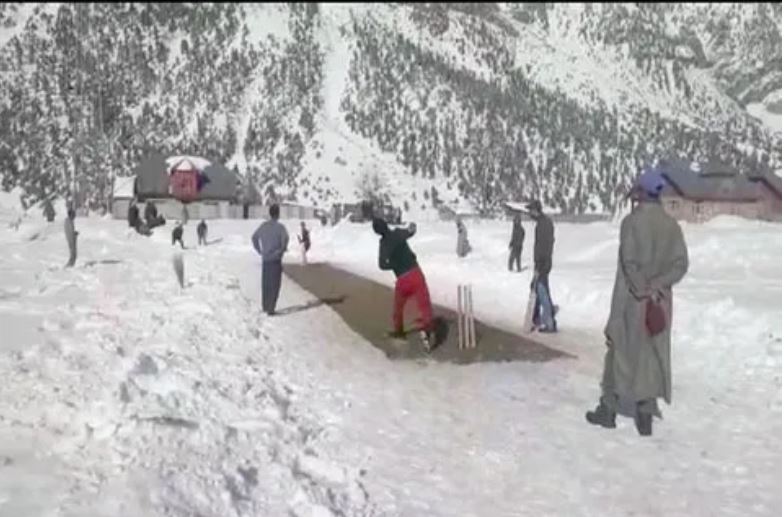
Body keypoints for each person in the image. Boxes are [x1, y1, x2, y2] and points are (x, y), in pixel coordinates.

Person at [586, 167, 689, 437]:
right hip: (660, 303)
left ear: (641, 192)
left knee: (618, 350)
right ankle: (645, 413)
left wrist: (643, 287)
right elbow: (681, 265)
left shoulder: (631, 223)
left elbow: (629, 263)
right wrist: (658, 285)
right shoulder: (672, 225)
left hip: (632, 301)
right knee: (651, 356)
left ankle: (608, 409)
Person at [373, 218, 434, 347]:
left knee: (398, 309)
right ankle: (427, 329)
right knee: (424, 305)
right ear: (386, 224)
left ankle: (399, 332)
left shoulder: (383, 244)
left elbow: (382, 265)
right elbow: (411, 232)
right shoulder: (398, 233)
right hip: (415, 273)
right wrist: (412, 226)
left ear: (377, 232)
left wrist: (395, 265)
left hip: (402, 279)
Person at [251, 204, 289, 315]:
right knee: (275, 284)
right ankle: (271, 308)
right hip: (275, 260)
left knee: (266, 284)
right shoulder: (280, 227)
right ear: (278, 214)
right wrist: (281, 250)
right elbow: (285, 239)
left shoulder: (263, 226)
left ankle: (265, 306)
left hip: (265, 259)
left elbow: (254, 237)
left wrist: (259, 250)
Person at [526, 200, 556, 333]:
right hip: (545, 262)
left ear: (535, 210)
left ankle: (549, 322)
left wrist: (539, 265)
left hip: (542, 263)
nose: (529, 213)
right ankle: (537, 317)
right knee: (538, 289)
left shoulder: (542, 225)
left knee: (541, 290)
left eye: (530, 211)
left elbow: (542, 247)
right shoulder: (545, 223)